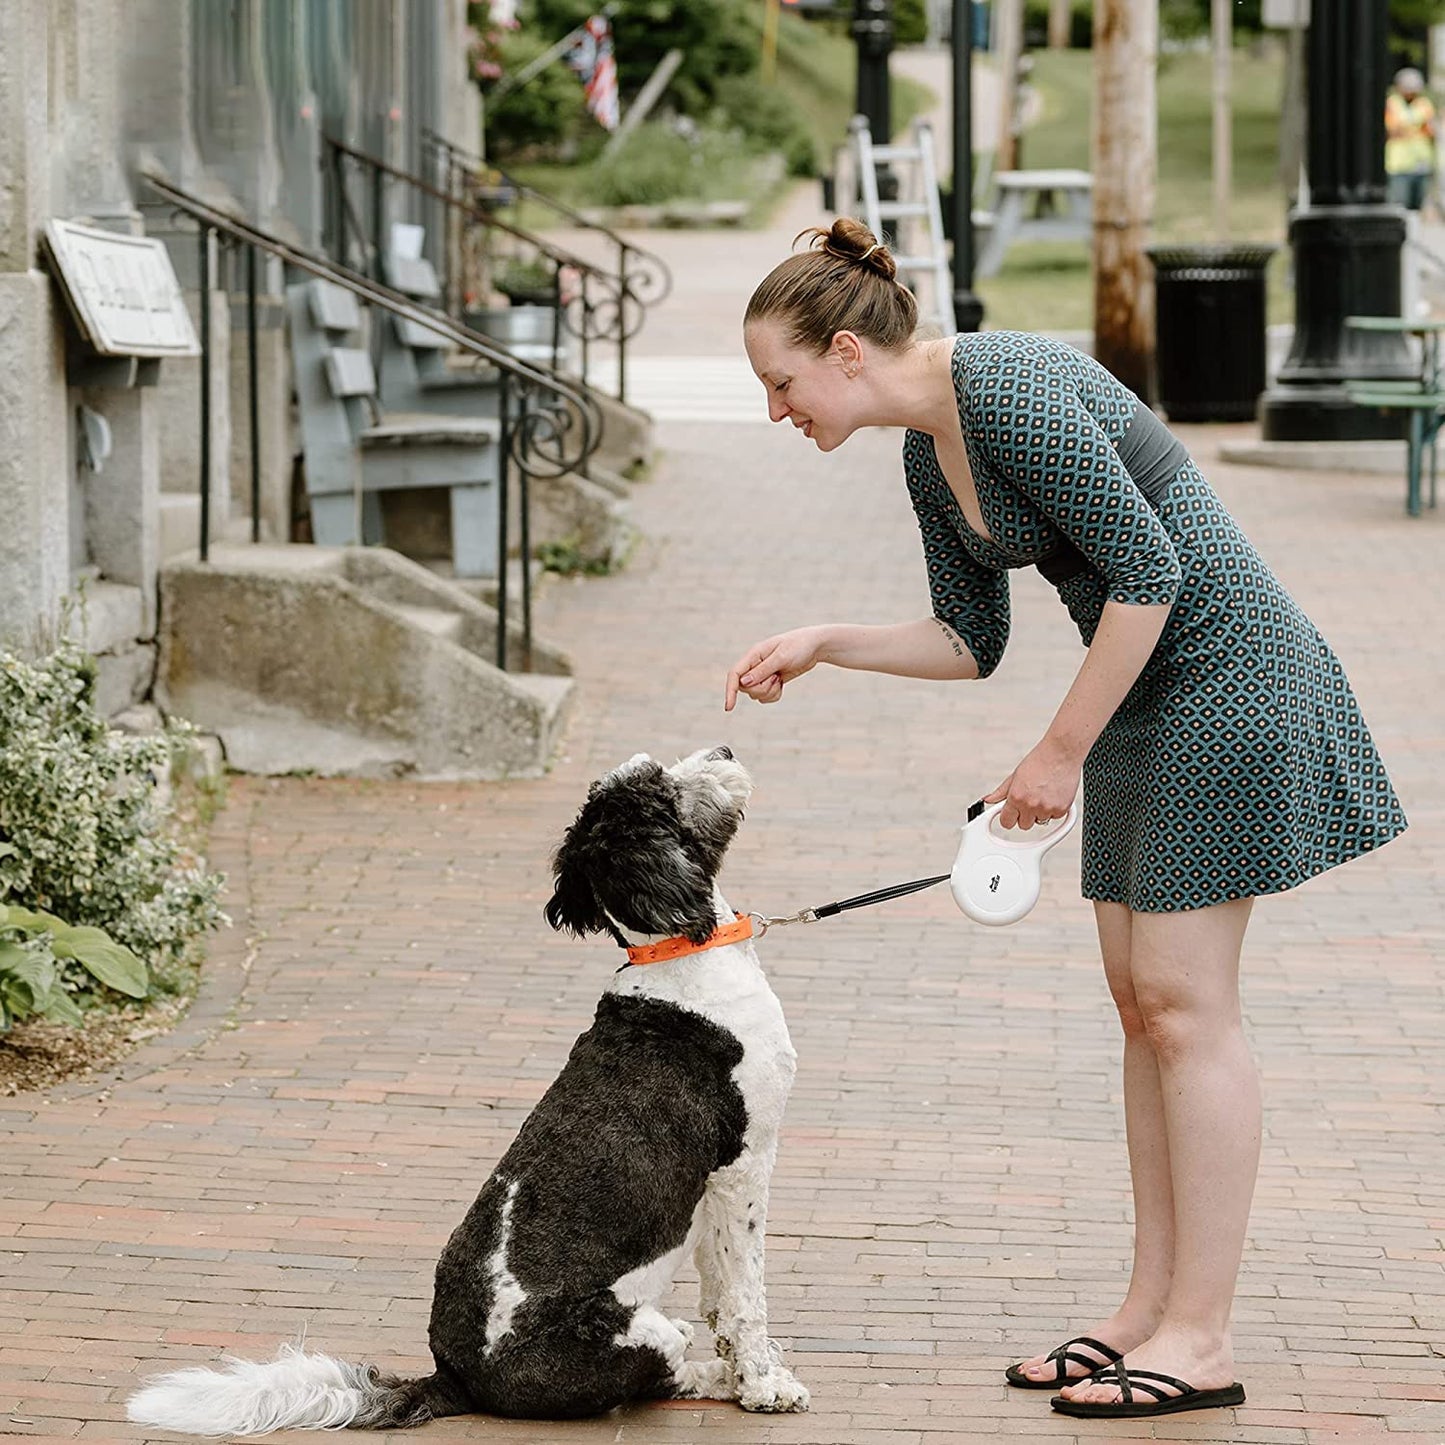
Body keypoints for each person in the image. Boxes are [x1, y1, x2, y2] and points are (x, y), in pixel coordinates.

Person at [725, 219, 1408, 1421]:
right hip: (1140, 692)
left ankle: (1200, 1333)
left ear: (842, 350)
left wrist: (1056, 752)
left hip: (1231, 674)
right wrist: (825, 642)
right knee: (1142, 1007)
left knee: (1189, 1010)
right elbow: (968, 640)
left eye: (779, 382)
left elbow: (1150, 573)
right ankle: (1144, 1310)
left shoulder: (1009, 380)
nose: (776, 411)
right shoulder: (925, 453)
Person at [1386, 66, 1436, 212]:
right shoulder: (1392, 103)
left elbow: (1430, 130)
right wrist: (1416, 127)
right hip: (1398, 166)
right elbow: (1392, 130)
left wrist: (1407, 128)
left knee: (1417, 206)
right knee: (1399, 205)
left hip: (1421, 164)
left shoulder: (1424, 104)